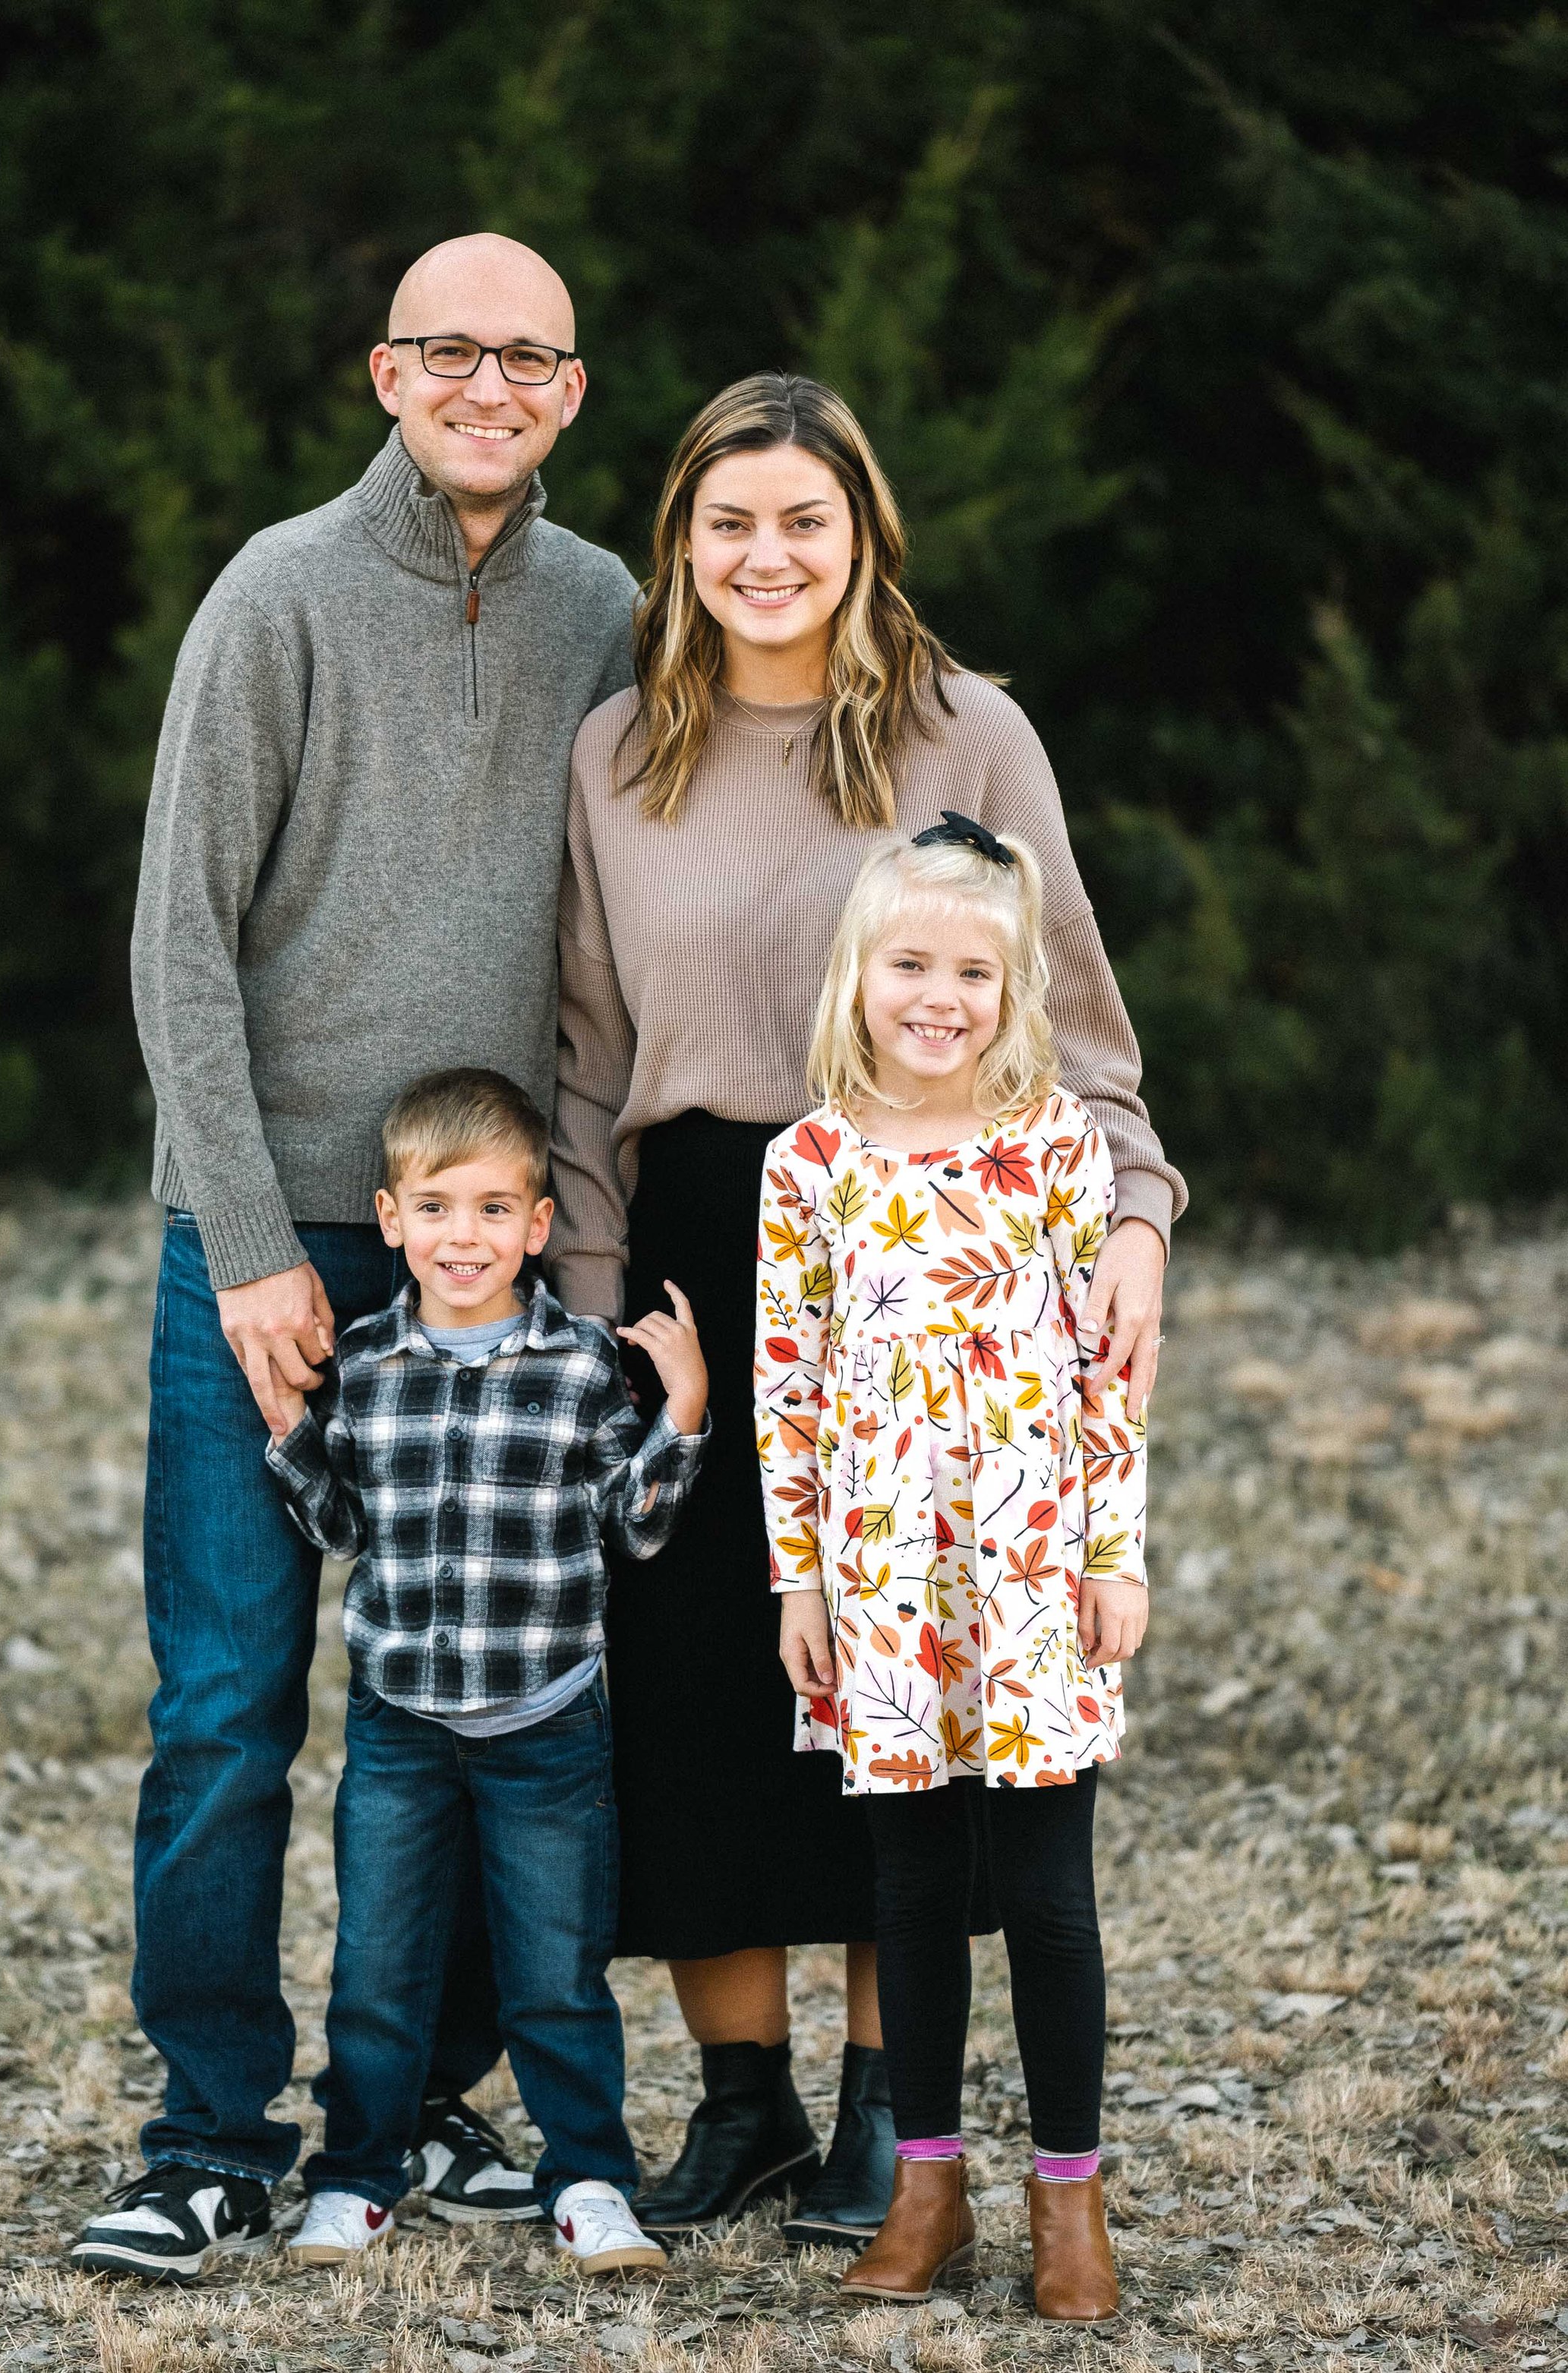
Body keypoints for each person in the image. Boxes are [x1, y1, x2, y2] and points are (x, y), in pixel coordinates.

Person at [548, 372, 1183, 2248]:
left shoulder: (964, 730)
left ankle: (886, 2117)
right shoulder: (617, 753)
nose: (766, 555)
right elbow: (584, 1054)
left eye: (803, 522)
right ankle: (738, 2101)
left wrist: (1132, 1214)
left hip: (937, 1244)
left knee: (900, 1675)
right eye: (728, 521)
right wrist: (590, 1321)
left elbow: (1069, 1013)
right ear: (680, 541)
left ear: (860, 536)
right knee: (698, 1679)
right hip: (692, 1242)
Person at [76, 235, 638, 2282]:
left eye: (527, 358)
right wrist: (245, 1243)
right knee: (233, 1697)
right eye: (449, 351)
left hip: (485, 1239)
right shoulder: (277, 592)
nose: (488, 386)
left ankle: (424, 2097)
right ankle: (209, 2130)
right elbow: (178, 940)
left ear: (570, 390)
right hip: (281, 1226)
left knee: (493, 1688)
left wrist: (575, 1233)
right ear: (386, 373)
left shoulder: (605, 610)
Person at [760, 825, 1147, 2321]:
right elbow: (789, 1388)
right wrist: (800, 1584)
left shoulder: (1056, 1144)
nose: (938, 996)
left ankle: (1069, 2201)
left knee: (1046, 1896)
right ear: (857, 974)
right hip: (880, 1579)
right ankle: (926, 2188)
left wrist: (1110, 1553)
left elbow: (1106, 1374)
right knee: (911, 1889)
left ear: (1014, 989)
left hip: (1031, 1566)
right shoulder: (809, 1163)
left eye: (972, 972)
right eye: (910, 964)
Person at [264, 1068, 710, 2275]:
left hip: (547, 1721)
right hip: (401, 1722)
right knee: (377, 1970)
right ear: (391, 1217)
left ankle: (591, 2182)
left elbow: (633, 1528)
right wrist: (290, 1431)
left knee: (556, 1975)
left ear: (538, 1222)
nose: (465, 1236)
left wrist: (682, 1414)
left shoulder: (580, 1363)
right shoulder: (364, 1362)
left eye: (495, 1208)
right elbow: (341, 1525)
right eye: (437, 1208)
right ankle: (357, 2176)